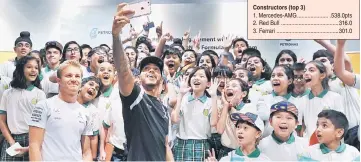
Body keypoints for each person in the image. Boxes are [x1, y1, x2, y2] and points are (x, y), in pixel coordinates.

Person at [112, 3, 172, 161]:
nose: (152, 70)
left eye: (156, 69)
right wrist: (116, 36)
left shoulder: (164, 109)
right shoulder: (135, 98)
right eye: (146, 69)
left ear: (161, 80)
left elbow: (165, 146)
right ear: (138, 78)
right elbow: (123, 71)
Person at [28, 60, 92, 161]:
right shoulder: (44, 106)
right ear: (58, 80)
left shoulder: (85, 113)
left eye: (77, 76)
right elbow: (34, 145)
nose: (73, 79)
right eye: (69, 75)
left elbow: (87, 152)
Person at [0, 56, 46, 161]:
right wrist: (11, 142)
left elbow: (43, 124)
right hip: (11, 138)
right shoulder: (8, 93)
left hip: (33, 139)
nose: (33, 70)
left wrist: (33, 144)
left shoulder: (40, 94)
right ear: (21, 69)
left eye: (36, 67)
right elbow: (1, 121)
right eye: (29, 67)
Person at [171, 67, 218, 161]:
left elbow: (213, 123)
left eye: (201, 76)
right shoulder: (183, 99)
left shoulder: (210, 102)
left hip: (201, 144)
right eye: (194, 76)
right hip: (181, 143)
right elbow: (174, 119)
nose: (197, 78)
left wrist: (214, 97)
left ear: (208, 83)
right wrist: (180, 94)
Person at [299, 60, 344, 143]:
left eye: (311, 70)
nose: (306, 73)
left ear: (322, 75)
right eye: (305, 71)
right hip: (309, 146)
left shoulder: (335, 98)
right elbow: (299, 127)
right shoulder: (301, 100)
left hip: (330, 146)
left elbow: (340, 125)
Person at [216, 78, 255, 159]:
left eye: (234, 86)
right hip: (225, 150)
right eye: (227, 86)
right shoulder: (223, 108)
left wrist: (231, 108)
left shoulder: (250, 108)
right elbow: (219, 130)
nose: (229, 88)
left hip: (243, 151)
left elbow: (242, 129)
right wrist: (226, 106)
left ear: (243, 94)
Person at [77, 76, 103, 161]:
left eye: (96, 88)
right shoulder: (68, 102)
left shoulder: (93, 111)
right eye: (91, 84)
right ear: (80, 86)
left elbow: (93, 137)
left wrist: (94, 158)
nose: (93, 88)